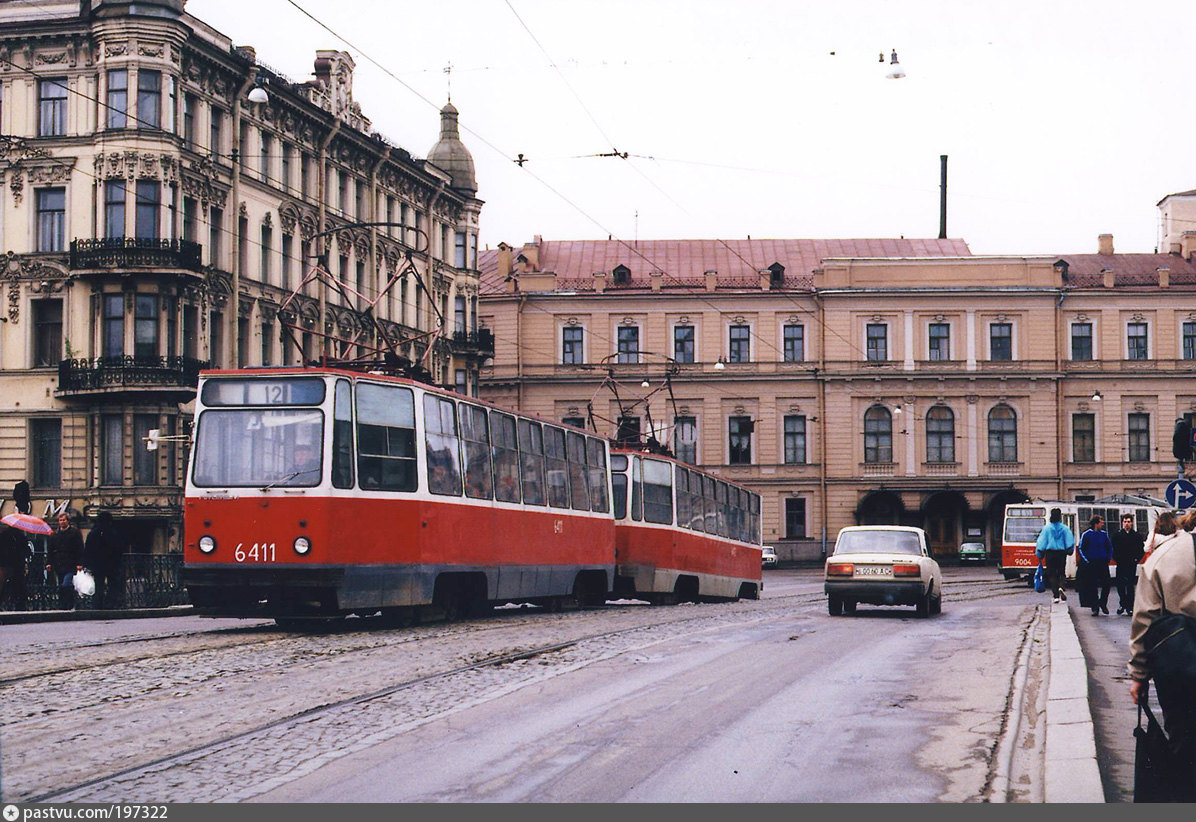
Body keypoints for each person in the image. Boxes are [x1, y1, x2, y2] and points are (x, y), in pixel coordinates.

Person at [1127, 510, 1196, 800]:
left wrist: (1138, 675)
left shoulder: (1164, 555)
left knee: (1185, 739)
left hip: (1180, 666)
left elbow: (1146, 618)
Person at [82, 511, 129, 609]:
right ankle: (110, 604)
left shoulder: (93, 533)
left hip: (97, 564)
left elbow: (88, 550)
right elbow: (119, 549)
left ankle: (97, 605)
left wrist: (87, 563)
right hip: (112, 564)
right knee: (113, 585)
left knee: (99, 585)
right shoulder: (113, 532)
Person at [1035, 507, 1075, 604]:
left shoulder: (1047, 528)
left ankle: (1056, 595)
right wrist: (1069, 550)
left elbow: (1042, 542)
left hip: (1050, 553)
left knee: (1052, 574)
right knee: (1061, 572)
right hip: (1061, 553)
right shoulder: (1065, 528)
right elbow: (1069, 541)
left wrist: (1039, 553)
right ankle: (1061, 586)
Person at [46, 510, 84, 610]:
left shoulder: (74, 533)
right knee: (61, 584)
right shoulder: (55, 534)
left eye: (64, 520)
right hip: (59, 563)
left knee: (66, 584)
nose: (62, 522)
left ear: (68, 521)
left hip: (71, 563)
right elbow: (50, 550)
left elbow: (79, 548)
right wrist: (49, 562)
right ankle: (64, 604)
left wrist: (79, 563)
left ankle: (68, 603)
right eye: (60, 520)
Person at [1077, 515, 1113, 615]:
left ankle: (1102, 602)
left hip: (1103, 562)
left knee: (1106, 584)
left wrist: (1108, 558)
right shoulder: (1086, 534)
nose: (1103, 524)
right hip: (1092, 562)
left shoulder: (1104, 534)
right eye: (1101, 522)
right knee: (1092, 586)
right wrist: (1087, 560)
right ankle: (1095, 606)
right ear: (1096, 523)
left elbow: (1109, 547)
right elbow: (1081, 548)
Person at [1111, 513, 1146, 615]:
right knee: (1120, 584)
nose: (1127, 524)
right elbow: (1112, 549)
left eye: (1129, 522)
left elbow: (1141, 550)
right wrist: (1116, 559)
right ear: (1122, 523)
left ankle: (1130, 606)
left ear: (1132, 523)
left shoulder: (1136, 536)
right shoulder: (1117, 535)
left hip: (1131, 563)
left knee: (1130, 585)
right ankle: (1123, 603)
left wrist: (1136, 560)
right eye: (1125, 521)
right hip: (1121, 563)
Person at [0, 522, 30, 611]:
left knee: (4, 585)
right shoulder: (21, 537)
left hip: (5, 564)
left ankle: (4, 603)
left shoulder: (3, 535)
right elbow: (26, 551)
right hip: (16, 565)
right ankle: (19, 605)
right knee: (18, 585)